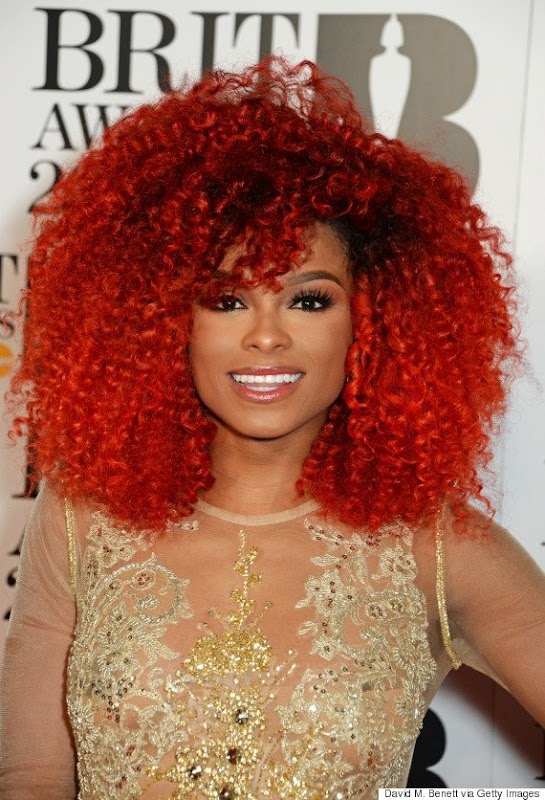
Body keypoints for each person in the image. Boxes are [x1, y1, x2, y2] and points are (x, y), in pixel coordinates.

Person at [0, 56, 544, 800]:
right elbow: (29, 778)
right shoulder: (81, 516)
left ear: (372, 319)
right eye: (226, 300)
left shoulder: (438, 545)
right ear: (165, 321)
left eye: (308, 301)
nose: (265, 336)